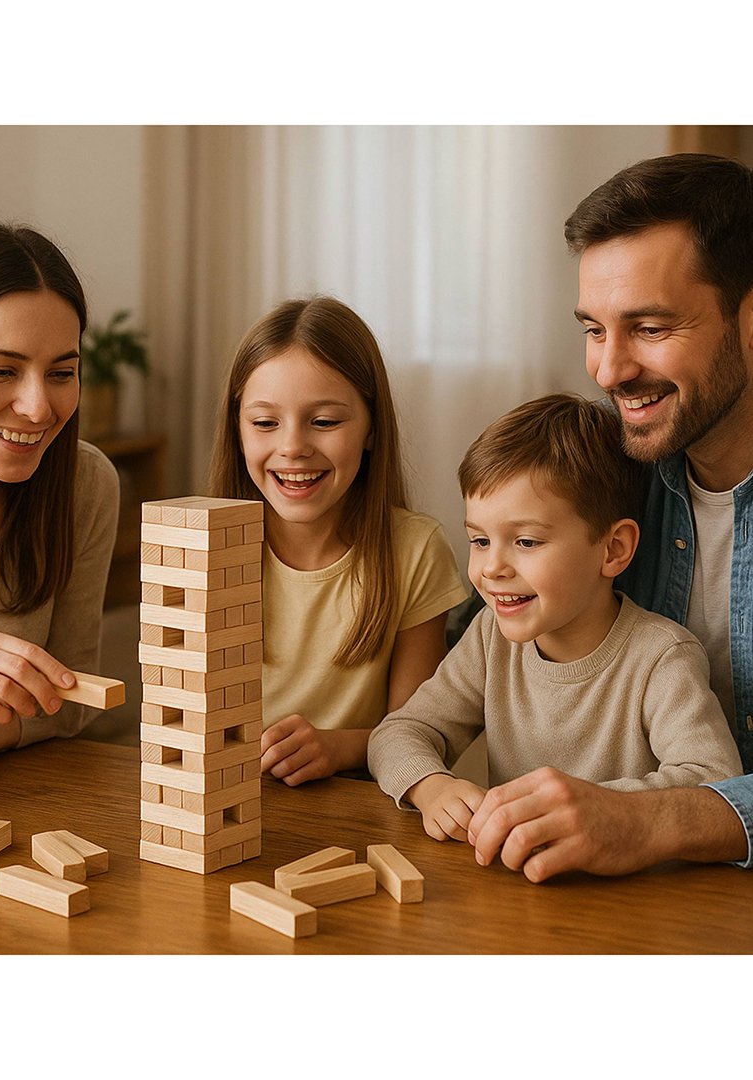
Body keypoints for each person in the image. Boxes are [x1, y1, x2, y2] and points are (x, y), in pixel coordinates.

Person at [468, 153, 753, 881]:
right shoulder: (602, 469)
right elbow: (481, 635)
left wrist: (646, 818)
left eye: (649, 327)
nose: (607, 370)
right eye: (594, 329)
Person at [368, 393, 742, 836]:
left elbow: (715, 783)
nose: (492, 569)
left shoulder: (662, 657)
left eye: (526, 542)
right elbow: (398, 732)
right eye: (480, 540)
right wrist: (429, 786)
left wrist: (598, 809)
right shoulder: (492, 637)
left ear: (613, 549)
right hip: (520, 886)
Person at [208, 295, 467, 785]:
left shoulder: (414, 549)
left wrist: (338, 746)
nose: (292, 448)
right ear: (238, 431)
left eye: (324, 422)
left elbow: (423, 733)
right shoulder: (205, 549)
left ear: (371, 427)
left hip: (356, 812)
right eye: (265, 423)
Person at [0, 221, 120, 789]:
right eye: (0, 371)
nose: (38, 408)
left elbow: (78, 693)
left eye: (62, 372)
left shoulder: (85, 486)